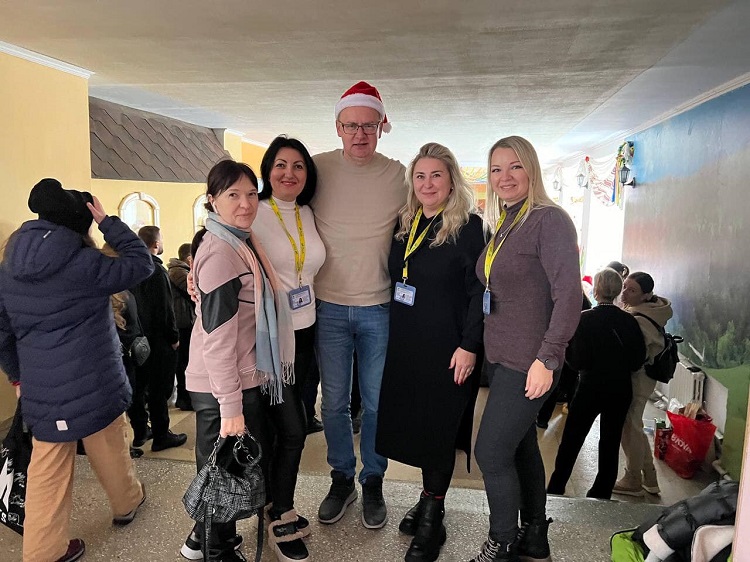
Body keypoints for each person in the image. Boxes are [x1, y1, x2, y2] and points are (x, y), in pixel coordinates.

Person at [0, 178, 153, 562]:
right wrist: (107, 221)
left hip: (43, 390)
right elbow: (141, 262)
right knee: (110, 448)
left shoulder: (8, 270)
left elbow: (2, 333)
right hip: (96, 383)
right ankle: (127, 503)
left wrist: (17, 376)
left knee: (47, 471)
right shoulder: (86, 264)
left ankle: (43, 553)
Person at [181, 159, 301, 562]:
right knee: (223, 476)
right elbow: (217, 341)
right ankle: (215, 550)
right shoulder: (221, 252)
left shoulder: (238, 240)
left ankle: (207, 541)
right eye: (233, 195)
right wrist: (231, 407)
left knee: (227, 470)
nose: (245, 203)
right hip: (221, 384)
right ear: (212, 200)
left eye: (251, 194)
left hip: (241, 375)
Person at [470, 136, 582, 562]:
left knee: (490, 452)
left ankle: (501, 543)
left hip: (530, 361)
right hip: (502, 358)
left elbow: (569, 294)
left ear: (532, 169)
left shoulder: (548, 220)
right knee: (521, 446)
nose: (505, 177)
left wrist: (548, 357)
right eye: (496, 169)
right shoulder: (509, 220)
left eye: (515, 166)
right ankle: (535, 535)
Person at [375, 142, 485, 562]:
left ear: (452, 180)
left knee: (439, 430)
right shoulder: (406, 223)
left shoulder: (470, 228)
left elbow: (480, 293)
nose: (427, 183)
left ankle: (433, 520)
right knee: (417, 427)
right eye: (420, 176)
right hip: (408, 345)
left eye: (436, 175)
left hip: (450, 348)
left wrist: (470, 345)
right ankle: (426, 499)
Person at [310, 81, 407, 530]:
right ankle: (341, 477)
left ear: (382, 126)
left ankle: (373, 480)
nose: (360, 134)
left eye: (369, 125)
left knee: (378, 402)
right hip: (327, 306)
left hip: (379, 307)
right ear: (338, 127)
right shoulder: (316, 169)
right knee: (333, 404)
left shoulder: (399, 175)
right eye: (351, 125)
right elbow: (275, 212)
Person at [252, 135, 326, 561]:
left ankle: (276, 503)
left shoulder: (308, 213)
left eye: (298, 166)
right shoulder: (254, 211)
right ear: (267, 170)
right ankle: (279, 512)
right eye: (281, 165)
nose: (289, 173)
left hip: (306, 333)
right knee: (290, 431)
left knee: (294, 426)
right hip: (270, 339)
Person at [546, 268, 646, 499]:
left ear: (597, 290)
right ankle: (602, 491)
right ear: (618, 291)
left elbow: (575, 360)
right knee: (610, 441)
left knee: (572, 438)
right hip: (620, 388)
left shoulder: (584, 319)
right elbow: (637, 360)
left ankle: (557, 486)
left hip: (589, 387)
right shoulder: (630, 321)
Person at [613, 271, 673, 497]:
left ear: (646, 295)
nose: (625, 293)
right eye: (625, 287)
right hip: (643, 376)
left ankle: (633, 479)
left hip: (639, 378)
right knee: (634, 425)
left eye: (632, 290)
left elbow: (636, 355)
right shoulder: (650, 311)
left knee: (630, 427)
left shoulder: (641, 319)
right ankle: (650, 477)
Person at [130, 226, 188, 452]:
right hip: (159, 340)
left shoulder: (132, 268)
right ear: (155, 244)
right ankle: (162, 435)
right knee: (159, 389)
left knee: (139, 388)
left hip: (138, 338)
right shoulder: (156, 270)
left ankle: (140, 431)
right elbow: (165, 309)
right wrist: (173, 337)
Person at [169, 242, 197, 411]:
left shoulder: (179, 271)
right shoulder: (179, 272)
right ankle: (184, 399)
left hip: (184, 322)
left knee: (184, 362)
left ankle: (185, 398)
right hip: (183, 324)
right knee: (184, 363)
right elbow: (194, 290)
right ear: (188, 258)